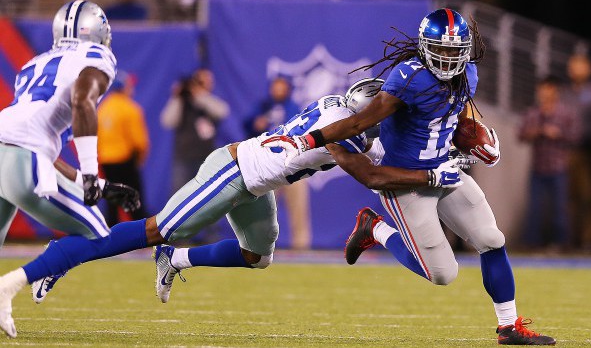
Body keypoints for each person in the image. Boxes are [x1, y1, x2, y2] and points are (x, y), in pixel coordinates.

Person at [0, 78, 468, 337]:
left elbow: (376, 148)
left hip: (257, 184)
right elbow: (371, 172)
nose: (379, 125)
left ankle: (177, 259)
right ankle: (46, 264)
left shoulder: (339, 109)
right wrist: (436, 173)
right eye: (376, 118)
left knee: (257, 257)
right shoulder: (345, 131)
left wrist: (452, 155)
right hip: (234, 173)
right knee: (153, 229)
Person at [262, 8, 556, 345]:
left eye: (453, 51)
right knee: (443, 274)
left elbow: (452, 116)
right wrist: (308, 139)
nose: (447, 59)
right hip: (405, 181)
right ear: (425, 46)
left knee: (492, 240)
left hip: (445, 170)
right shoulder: (409, 77)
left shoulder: (469, 75)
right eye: (440, 50)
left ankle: (508, 327)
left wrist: (478, 138)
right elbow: (359, 124)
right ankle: (375, 227)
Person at [0, 0, 140, 337]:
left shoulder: (35, 63)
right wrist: (91, 171)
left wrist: (96, 183)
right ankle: (10, 285)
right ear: (99, 31)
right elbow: (82, 100)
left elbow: (38, 139)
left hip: (9, 144)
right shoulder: (97, 57)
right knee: (96, 233)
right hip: (23, 155)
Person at [246, 76, 310, 250]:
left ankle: (301, 247)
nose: (278, 90)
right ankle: (257, 245)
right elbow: (247, 124)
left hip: (293, 164)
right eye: (276, 86)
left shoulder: (293, 107)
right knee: (263, 208)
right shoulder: (264, 106)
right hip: (268, 165)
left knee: (298, 209)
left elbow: (301, 131)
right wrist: (255, 124)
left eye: (281, 86)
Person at [519, 76, 578, 251]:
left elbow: (575, 136)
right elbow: (521, 135)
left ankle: (561, 243)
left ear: (555, 91)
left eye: (548, 90)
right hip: (538, 167)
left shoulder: (565, 113)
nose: (544, 94)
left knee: (559, 208)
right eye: (541, 90)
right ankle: (533, 243)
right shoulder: (533, 113)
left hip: (558, 167)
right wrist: (538, 132)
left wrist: (557, 134)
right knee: (535, 207)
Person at [561, 54, 591, 250]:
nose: (575, 70)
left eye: (579, 66)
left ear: (588, 68)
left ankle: (590, 239)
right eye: (572, 66)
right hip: (569, 150)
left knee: (589, 195)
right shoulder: (565, 93)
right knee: (571, 196)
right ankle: (573, 238)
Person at [160, 68, 229, 194]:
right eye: (200, 82)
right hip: (184, 159)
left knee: (210, 199)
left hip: (207, 159)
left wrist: (199, 94)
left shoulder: (208, 101)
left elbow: (222, 112)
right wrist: (176, 97)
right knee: (179, 199)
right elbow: (167, 121)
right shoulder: (181, 102)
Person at [97, 70, 150, 223]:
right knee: (135, 200)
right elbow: (139, 142)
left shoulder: (103, 109)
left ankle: (110, 235)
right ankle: (142, 233)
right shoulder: (130, 109)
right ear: (124, 87)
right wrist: (139, 160)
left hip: (106, 161)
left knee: (112, 202)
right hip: (126, 160)